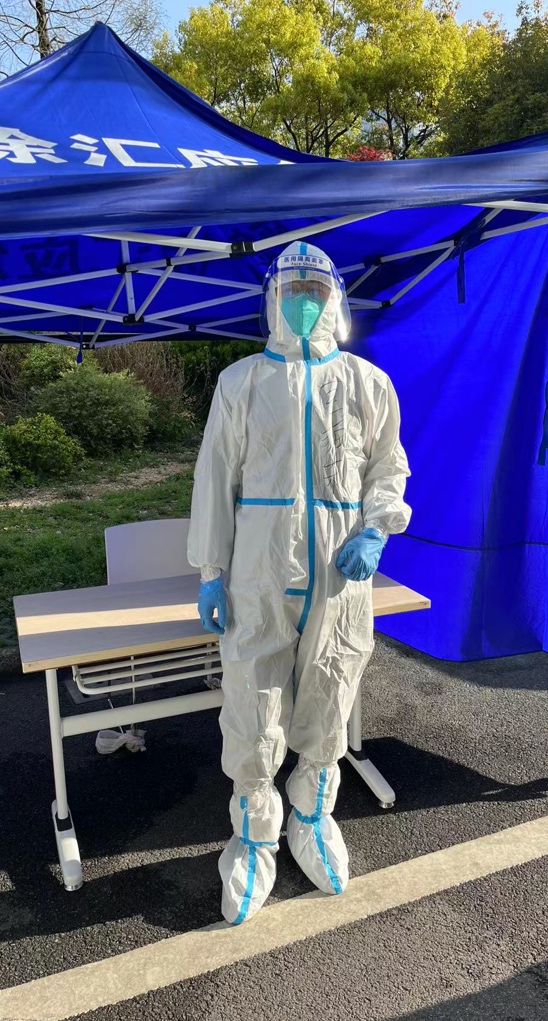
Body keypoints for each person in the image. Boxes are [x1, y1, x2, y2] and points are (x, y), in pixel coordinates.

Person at [188, 240, 411, 925]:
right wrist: (212, 570)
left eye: (316, 291)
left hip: (339, 570)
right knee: (252, 699)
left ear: (334, 299)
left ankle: (311, 815)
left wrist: (376, 529)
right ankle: (254, 834)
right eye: (294, 291)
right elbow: (214, 477)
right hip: (259, 568)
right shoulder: (242, 381)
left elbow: (388, 465)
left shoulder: (367, 382)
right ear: (273, 300)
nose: (305, 302)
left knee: (332, 686)